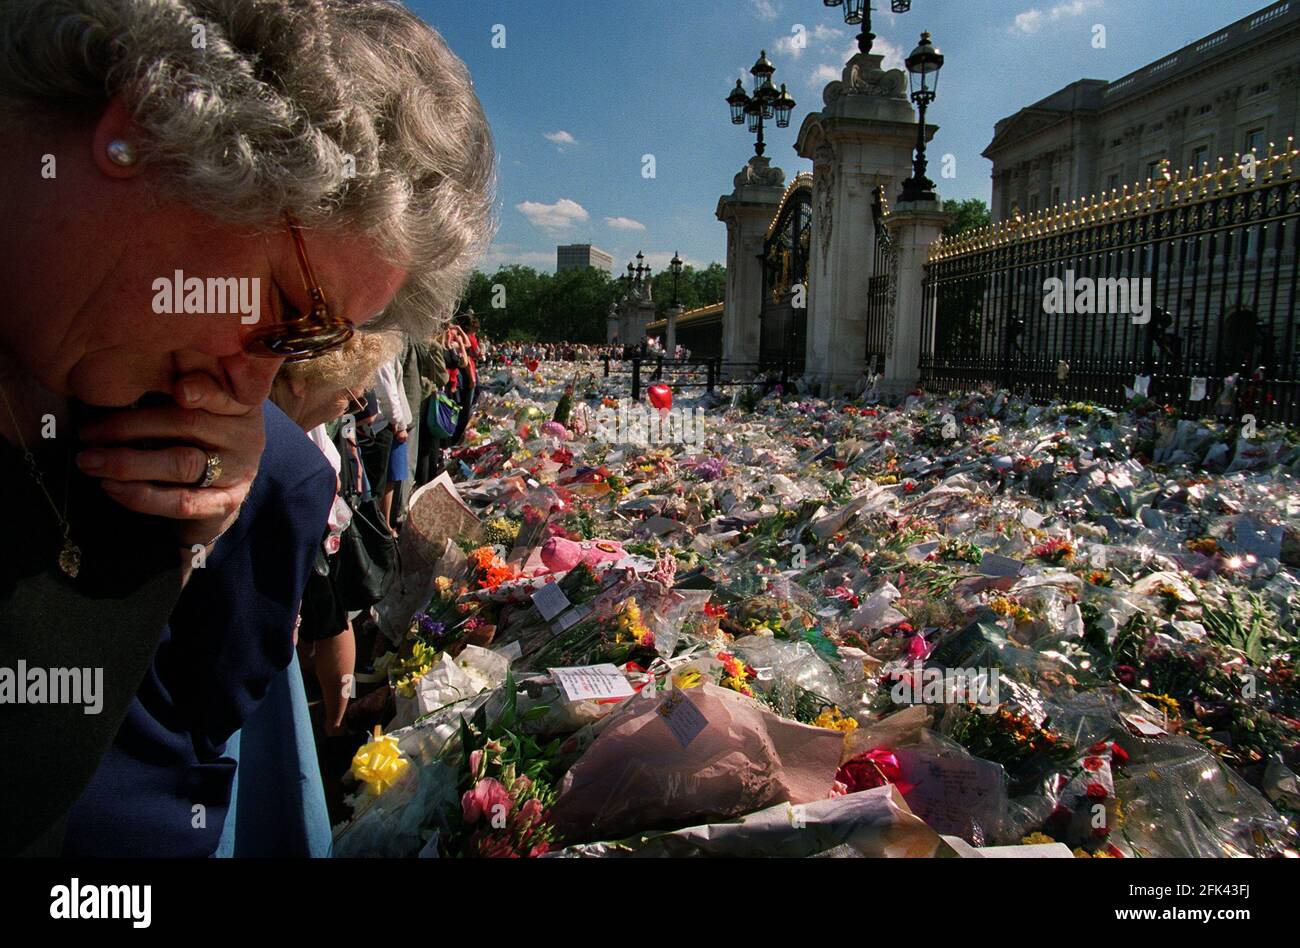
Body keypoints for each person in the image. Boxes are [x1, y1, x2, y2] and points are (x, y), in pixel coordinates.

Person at [0, 0, 494, 857]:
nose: (258, 390)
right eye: (291, 320)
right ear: (149, 130)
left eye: (321, 342)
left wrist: (195, 535)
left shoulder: (135, 403)